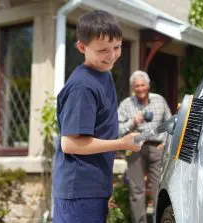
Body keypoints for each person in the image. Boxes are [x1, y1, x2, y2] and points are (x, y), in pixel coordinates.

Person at [52, 10, 142, 223]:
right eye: (102, 50)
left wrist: (103, 188)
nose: (111, 56)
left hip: (92, 189)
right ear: (82, 48)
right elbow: (70, 144)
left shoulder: (104, 74)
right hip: (79, 192)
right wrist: (122, 143)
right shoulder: (82, 87)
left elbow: (99, 130)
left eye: (117, 47)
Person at [118, 70, 172, 223]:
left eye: (142, 85)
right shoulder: (126, 104)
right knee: (137, 190)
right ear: (132, 88)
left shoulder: (159, 100)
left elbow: (170, 124)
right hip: (135, 148)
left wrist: (165, 143)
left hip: (157, 148)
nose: (140, 88)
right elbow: (118, 129)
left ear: (147, 86)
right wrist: (133, 121)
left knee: (158, 188)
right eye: (136, 86)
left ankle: (157, 220)